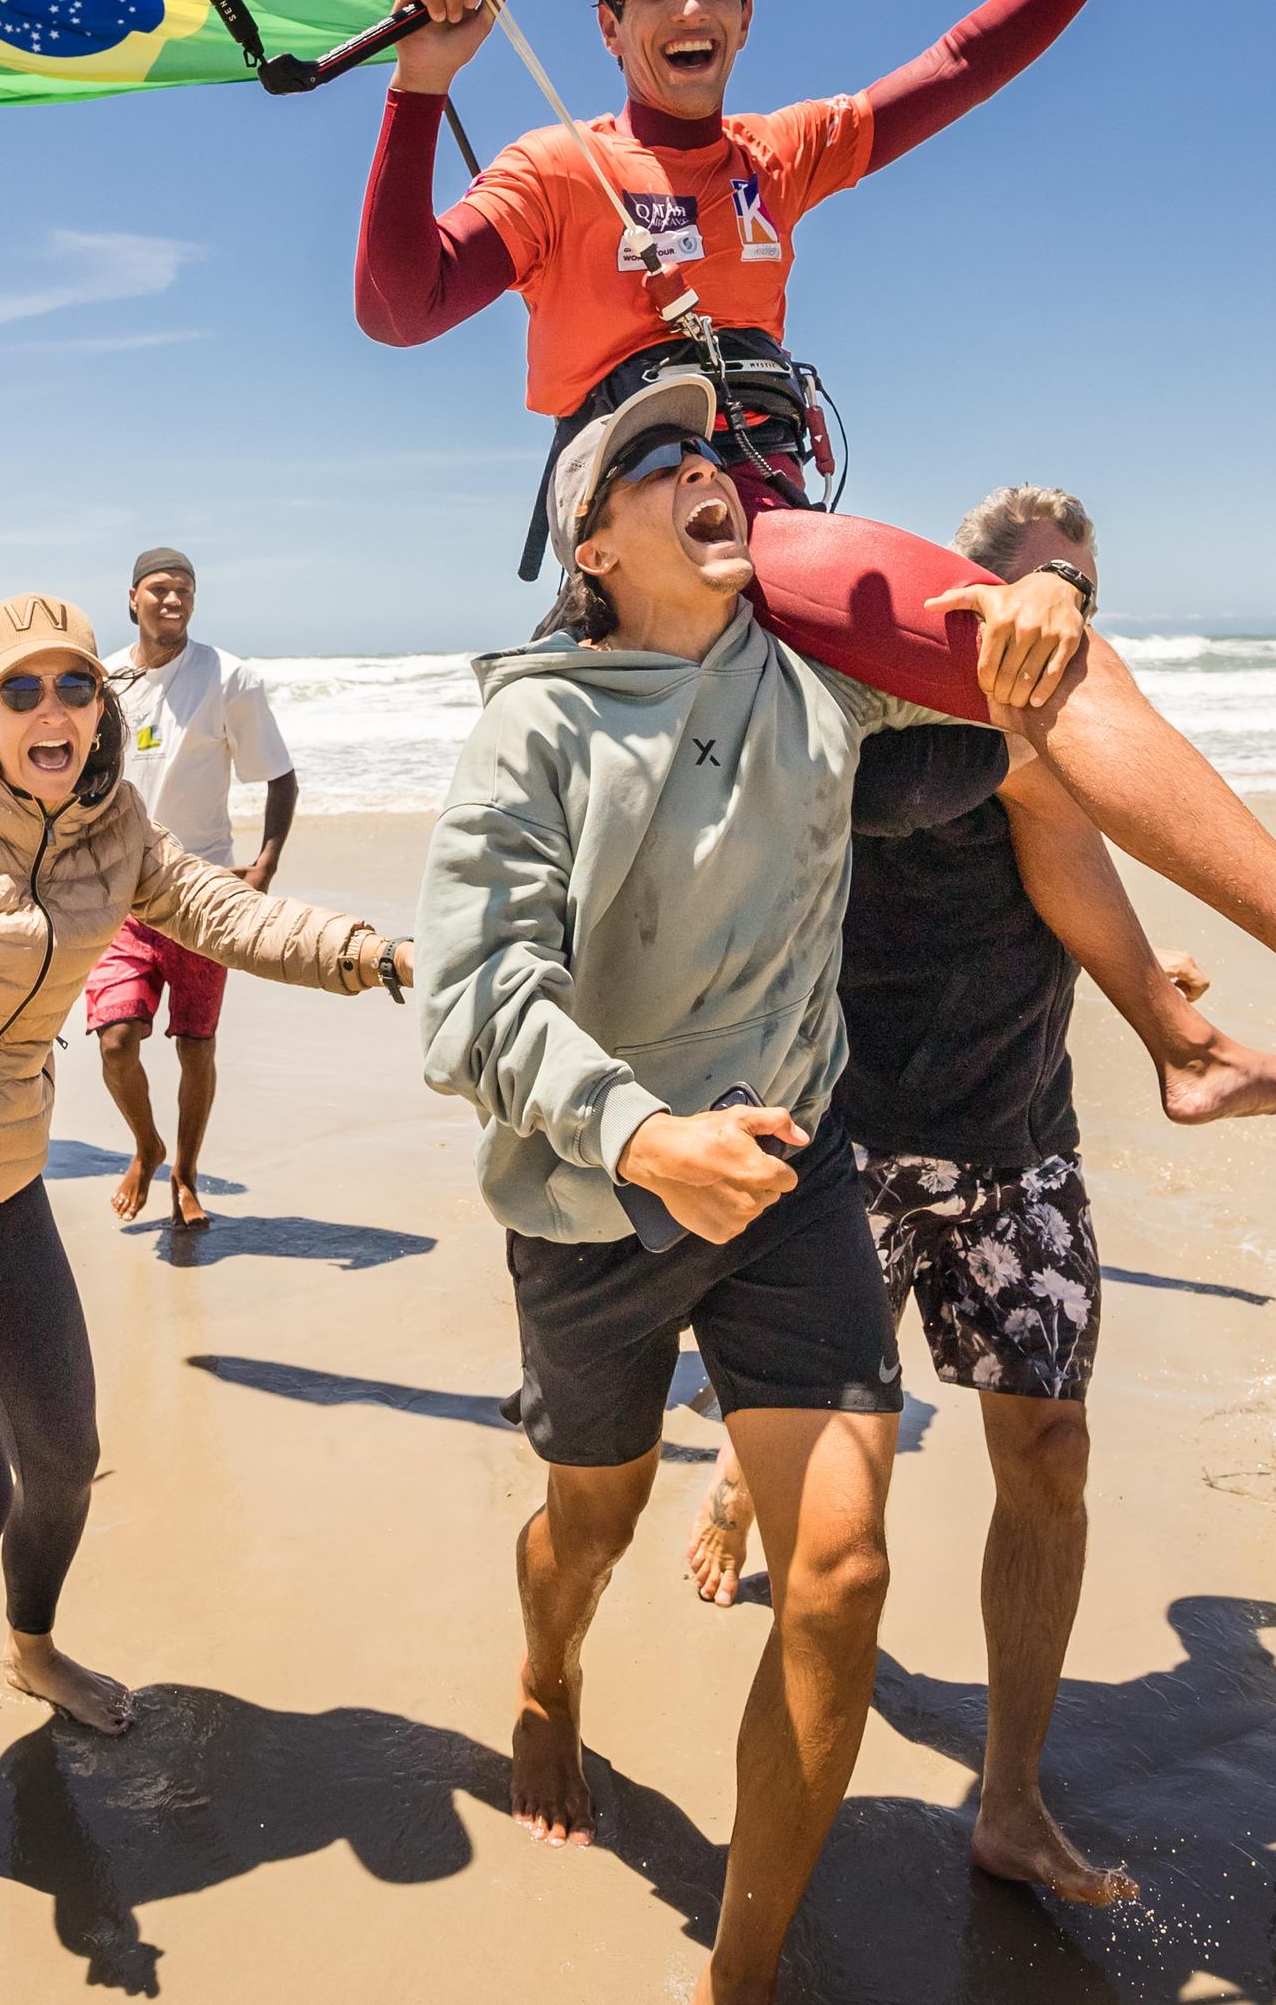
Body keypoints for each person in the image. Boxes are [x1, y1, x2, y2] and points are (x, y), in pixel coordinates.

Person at [358, 0, 1276, 1071]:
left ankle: (1185, 1049)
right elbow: (400, 306)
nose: (693, 13)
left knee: (1034, 731)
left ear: (748, 14)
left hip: (773, 513)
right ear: (609, 25)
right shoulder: (553, 168)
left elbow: (961, 65)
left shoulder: (773, 157)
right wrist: (420, 88)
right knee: (1054, 655)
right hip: (667, 515)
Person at [416, 375, 1113, 2005]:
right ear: (592, 540)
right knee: (592, 1520)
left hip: (798, 1182)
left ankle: (740, 1974)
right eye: (661, 463)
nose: (712, 478)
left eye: (722, 457)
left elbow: (1014, 720)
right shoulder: (537, 725)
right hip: (597, 1209)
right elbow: (471, 1004)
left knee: (845, 1571)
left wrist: (1045, 598)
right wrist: (643, 1135)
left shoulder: (815, 698)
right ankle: (549, 1667)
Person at [677, 484, 1276, 1910]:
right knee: (817, 1482)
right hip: (849, 1140)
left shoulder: (1079, 745)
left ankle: (1012, 1801)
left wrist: (1150, 983)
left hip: (1016, 1141)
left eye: (1084, 590)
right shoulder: (883, 730)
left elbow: (1081, 878)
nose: (1067, 611)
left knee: (1048, 1457)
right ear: (958, 600)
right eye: (1041, 584)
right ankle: (736, 1494)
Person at [0, 592, 411, 1769]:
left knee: (64, 1457)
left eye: (74, 684)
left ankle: (31, 1646)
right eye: (18, 689)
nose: (51, 708)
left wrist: (374, 954)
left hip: (2, 1191)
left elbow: (220, 910)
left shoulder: (111, 828)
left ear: (101, 705)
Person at [85, 547, 300, 1229]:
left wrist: (263, 866)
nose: (172, 601)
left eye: (184, 591)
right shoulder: (105, 680)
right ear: (132, 598)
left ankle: (183, 1170)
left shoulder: (230, 678)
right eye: (158, 590)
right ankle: (145, 1145)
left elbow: (280, 776)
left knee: (195, 1044)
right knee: (117, 1038)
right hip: (120, 890)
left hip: (203, 894)